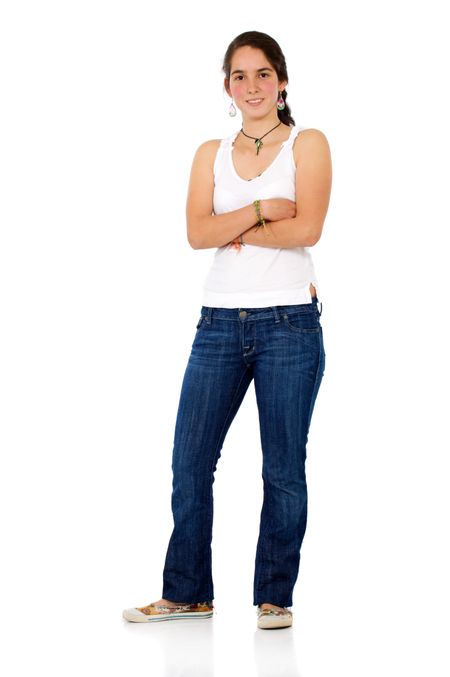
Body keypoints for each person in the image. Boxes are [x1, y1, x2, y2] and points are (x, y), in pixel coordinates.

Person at [123, 30, 332, 630]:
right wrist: (264, 210)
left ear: (282, 81)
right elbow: (196, 234)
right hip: (217, 322)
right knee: (189, 460)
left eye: (263, 74)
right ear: (227, 88)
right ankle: (188, 592)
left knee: (282, 468)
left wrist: (228, 227)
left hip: (290, 322)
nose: (252, 86)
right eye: (239, 76)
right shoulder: (209, 154)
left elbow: (309, 229)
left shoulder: (307, 144)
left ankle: (274, 596)